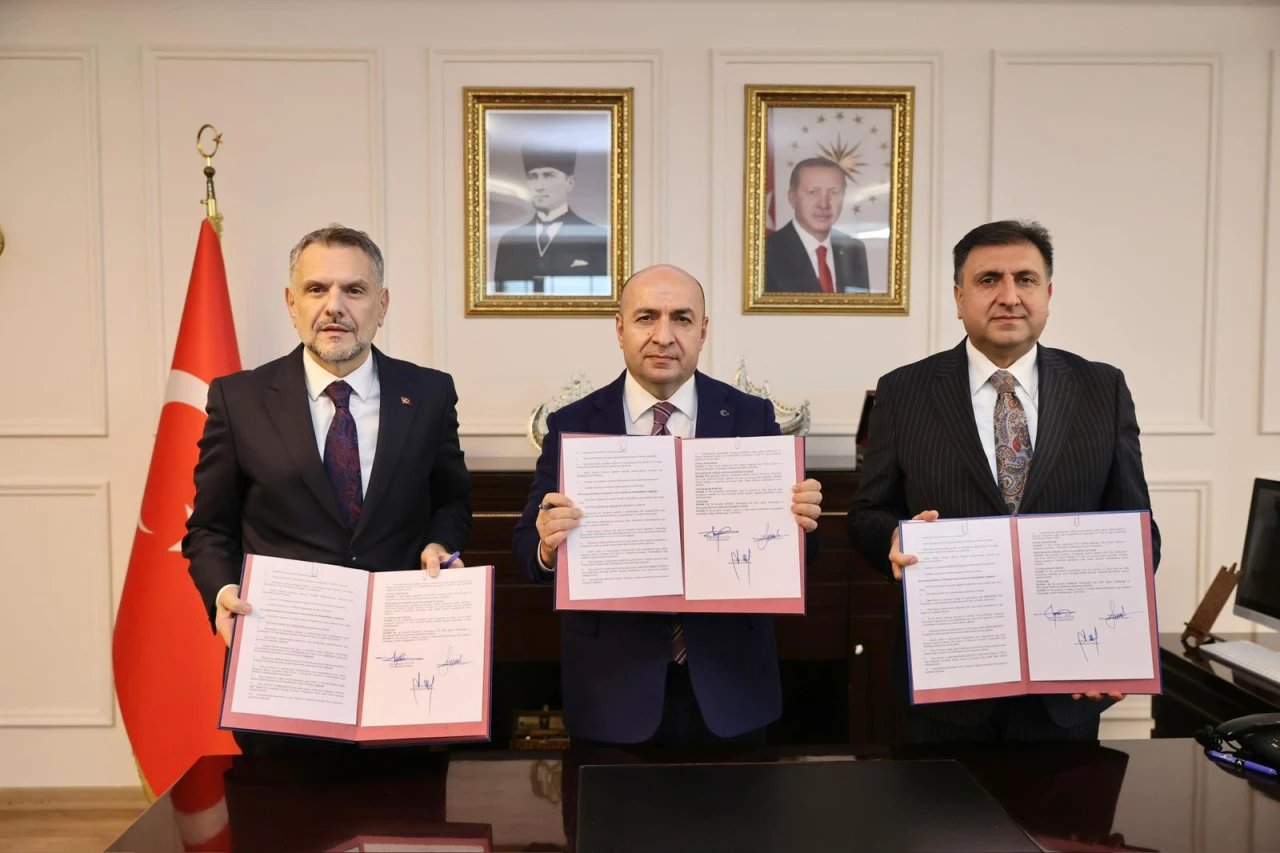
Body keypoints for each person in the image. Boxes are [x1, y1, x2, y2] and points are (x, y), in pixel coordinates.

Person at [848, 219, 1161, 743]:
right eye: (989, 280)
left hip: (1070, 683)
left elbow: (1139, 533)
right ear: (959, 297)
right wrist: (892, 539)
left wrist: (1116, 643)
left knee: (1069, 802)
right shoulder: (903, 391)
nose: (1009, 296)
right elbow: (866, 515)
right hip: (949, 684)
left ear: (1048, 294)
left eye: (1026, 279)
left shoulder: (1102, 388)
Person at [183, 224, 472, 754]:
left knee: (408, 806)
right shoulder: (238, 399)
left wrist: (439, 543)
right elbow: (208, 528)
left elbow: (451, 500)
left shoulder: (430, 393)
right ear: (291, 304)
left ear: (382, 305)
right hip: (284, 668)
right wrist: (222, 593)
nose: (333, 306)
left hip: (405, 671)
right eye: (316, 289)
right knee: (281, 807)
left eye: (353, 290)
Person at [512, 264, 825, 748]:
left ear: (703, 331)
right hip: (611, 692)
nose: (663, 336)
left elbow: (798, 555)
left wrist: (803, 524)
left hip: (731, 688)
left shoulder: (751, 416)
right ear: (620, 329)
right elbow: (526, 550)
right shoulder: (572, 423)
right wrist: (547, 546)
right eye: (646, 318)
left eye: (681, 318)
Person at [491, 140, 608, 293]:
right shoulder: (509, 241)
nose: (539, 186)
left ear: (570, 182)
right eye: (532, 177)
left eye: (549, 175)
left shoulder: (596, 238)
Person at [765, 158, 870, 294]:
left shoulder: (853, 248)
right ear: (793, 198)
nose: (824, 204)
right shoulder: (767, 251)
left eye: (834, 193)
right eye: (813, 192)